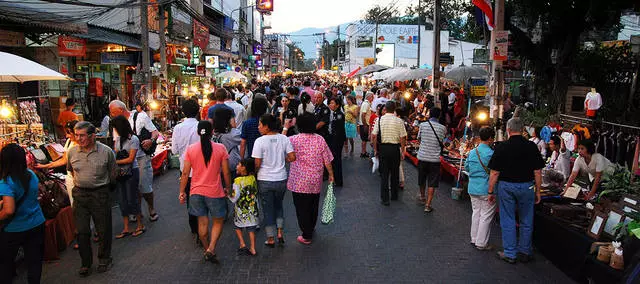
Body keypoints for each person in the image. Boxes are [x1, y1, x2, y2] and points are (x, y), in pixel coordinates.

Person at [487, 117, 545, 264]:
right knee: (526, 219)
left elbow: (494, 172)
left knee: (508, 219)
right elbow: (538, 172)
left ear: (508, 129)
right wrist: (538, 191)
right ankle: (525, 251)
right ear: (522, 130)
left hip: (506, 186)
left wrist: (490, 191)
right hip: (527, 186)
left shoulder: (502, 147)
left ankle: (510, 253)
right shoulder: (531, 146)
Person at [67, 121, 117, 276]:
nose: (79, 139)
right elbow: (71, 171)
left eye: (82, 135)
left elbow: (112, 174)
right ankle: (85, 263)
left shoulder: (106, 152)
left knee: (103, 229)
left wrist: (103, 189)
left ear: (93, 136)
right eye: (77, 135)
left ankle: (104, 258)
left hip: (100, 193)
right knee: (82, 231)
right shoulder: (72, 152)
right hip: (80, 194)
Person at [178, 121, 231, 264]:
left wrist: (182, 191)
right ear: (212, 132)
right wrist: (228, 187)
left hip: (196, 192)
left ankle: (207, 248)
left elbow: (185, 173)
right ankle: (211, 248)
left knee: (202, 223)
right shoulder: (220, 148)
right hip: (215, 191)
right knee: (218, 221)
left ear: (197, 133)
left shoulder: (191, 149)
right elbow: (226, 172)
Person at [0, 144, 46, 284]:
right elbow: (36, 194)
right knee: (34, 262)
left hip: (15, 229)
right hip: (37, 223)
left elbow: (9, 210)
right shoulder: (31, 175)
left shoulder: (6, 182)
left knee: (5, 264)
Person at [109, 100, 160, 222]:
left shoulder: (141, 116)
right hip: (126, 160)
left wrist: (151, 141)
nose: (111, 115)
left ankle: (151, 208)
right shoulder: (116, 122)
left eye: (113, 112)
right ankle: (137, 211)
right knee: (131, 187)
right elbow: (116, 141)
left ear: (120, 110)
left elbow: (154, 132)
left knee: (144, 185)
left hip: (141, 157)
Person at [288, 113, 334, 245]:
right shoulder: (320, 139)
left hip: (299, 180)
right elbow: (327, 160)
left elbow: (282, 145)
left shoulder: (293, 140)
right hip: (315, 178)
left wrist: (286, 127)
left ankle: (306, 234)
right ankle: (311, 227)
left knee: (301, 207)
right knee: (313, 205)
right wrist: (331, 174)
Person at [252, 114, 295, 247]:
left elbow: (257, 163)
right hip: (281, 178)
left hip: (265, 179)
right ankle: (280, 232)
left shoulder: (259, 141)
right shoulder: (283, 138)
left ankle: (270, 238)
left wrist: (254, 174)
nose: (258, 127)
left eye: (260, 124)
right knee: (278, 206)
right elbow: (292, 157)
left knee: (267, 209)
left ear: (266, 126)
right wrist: (283, 160)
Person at [171, 99, 201, 242]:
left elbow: (174, 150)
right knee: (201, 197)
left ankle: (194, 226)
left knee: (189, 197)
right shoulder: (201, 126)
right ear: (197, 111)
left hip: (185, 169)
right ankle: (202, 226)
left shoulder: (178, 128)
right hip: (201, 169)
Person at [111, 116, 145, 238]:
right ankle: (126, 227)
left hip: (131, 171)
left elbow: (131, 159)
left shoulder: (133, 139)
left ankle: (140, 224)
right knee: (122, 199)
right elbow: (116, 154)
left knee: (132, 198)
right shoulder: (119, 139)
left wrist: (115, 162)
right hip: (120, 172)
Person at [464, 127, 496, 251]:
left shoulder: (472, 152)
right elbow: (495, 173)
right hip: (486, 188)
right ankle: (481, 243)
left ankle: (474, 238)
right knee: (486, 215)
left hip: (473, 187)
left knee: (476, 212)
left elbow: (467, 167)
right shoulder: (491, 154)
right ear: (490, 138)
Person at [372, 101, 407, 206]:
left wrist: (375, 149)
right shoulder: (399, 121)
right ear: (394, 109)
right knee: (395, 172)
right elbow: (402, 137)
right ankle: (394, 195)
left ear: (385, 109)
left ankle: (385, 198)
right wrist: (403, 150)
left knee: (384, 174)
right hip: (395, 148)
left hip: (383, 148)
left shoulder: (379, 120)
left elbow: (374, 136)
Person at [36, 120, 79, 205]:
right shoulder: (69, 142)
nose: (66, 135)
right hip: (71, 177)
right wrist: (46, 166)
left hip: (79, 179)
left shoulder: (81, 144)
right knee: (74, 204)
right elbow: (64, 160)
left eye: (69, 133)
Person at [416, 107, 446, 212]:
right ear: (439, 116)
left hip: (423, 157)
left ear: (430, 114)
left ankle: (422, 196)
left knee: (422, 179)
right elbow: (442, 141)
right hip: (434, 159)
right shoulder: (443, 128)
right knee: (432, 182)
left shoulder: (422, 125)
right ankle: (428, 205)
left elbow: (419, 139)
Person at [228, 158, 259, 256]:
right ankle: (253, 248)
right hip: (253, 210)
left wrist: (228, 194)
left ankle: (242, 243)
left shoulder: (237, 181)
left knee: (237, 226)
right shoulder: (253, 178)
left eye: (239, 164)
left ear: (243, 168)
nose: (237, 166)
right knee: (251, 229)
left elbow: (234, 197)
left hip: (241, 210)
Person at [212, 107, 242, 178]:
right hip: (231, 166)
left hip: (217, 166)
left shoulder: (213, 134)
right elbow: (243, 138)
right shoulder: (232, 134)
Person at [327, 97, 346, 187]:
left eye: (332, 103)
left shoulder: (339, 115)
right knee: (334, 159)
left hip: (337, 140)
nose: (331, 104)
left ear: (337, 105)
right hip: (333, 140)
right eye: (330, 103)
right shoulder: (332, 113)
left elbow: (338, 130)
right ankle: (335, 179)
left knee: (336, 159)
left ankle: (338, 180)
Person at [359, 92, 373, 158]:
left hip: (364, 124)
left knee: (364, 139)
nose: (373, 98)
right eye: (372, 97)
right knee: (365, 139)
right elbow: (363, 115)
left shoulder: (366, 103)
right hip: (364, 124)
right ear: (369, 97)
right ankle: (363, 152)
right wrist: (365, 125)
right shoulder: (366, 104)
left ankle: (363, 152)